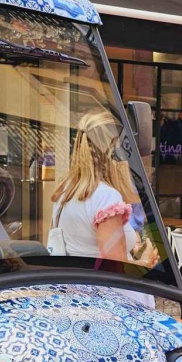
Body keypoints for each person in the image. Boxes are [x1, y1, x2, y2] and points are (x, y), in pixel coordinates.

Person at [52, 110, 152, 266]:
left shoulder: (67, 190)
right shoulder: (106, 196)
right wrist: (145, 262)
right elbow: (114, 269)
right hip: (104, 288)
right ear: (115, 151)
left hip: (74, 284)